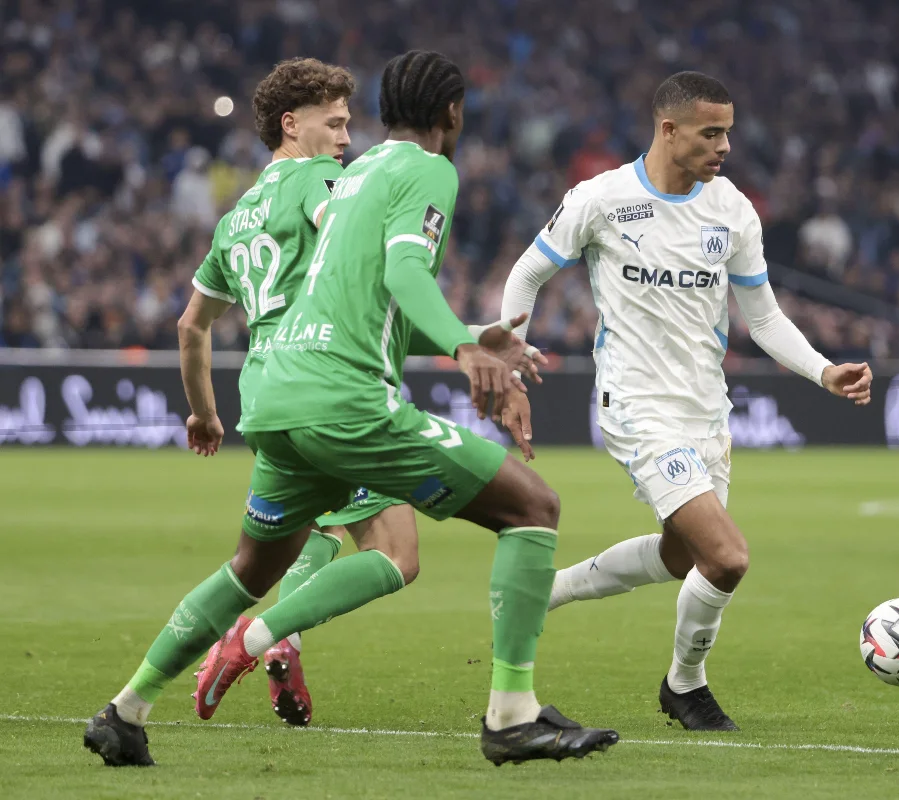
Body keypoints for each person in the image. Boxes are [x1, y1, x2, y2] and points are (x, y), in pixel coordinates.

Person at [84, 50, 617, 769]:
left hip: (270, 396)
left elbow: (195, 325)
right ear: (452, 113)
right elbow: (398, 268)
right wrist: (464, 347)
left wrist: (205, 413)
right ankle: (511, 716)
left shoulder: (252, 211)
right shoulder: (344, 180)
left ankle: (126, 709)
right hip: (341, 395)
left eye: (348, 123)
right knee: (522, 510)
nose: (343, 136)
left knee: (250, 568)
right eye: (332, 123)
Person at [500, 71, 873, 731]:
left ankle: (546, 591)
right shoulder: (603, 198)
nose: (725, 146)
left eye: (728, 132)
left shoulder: (732, 210)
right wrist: (508, 357)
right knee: (726, 556)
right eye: (711, 133)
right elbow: (529, 271)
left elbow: (764, 318)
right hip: (635, 404)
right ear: (669, 130)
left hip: (705, 410)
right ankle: (685, 685)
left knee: (683, 557)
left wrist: (824, 372)